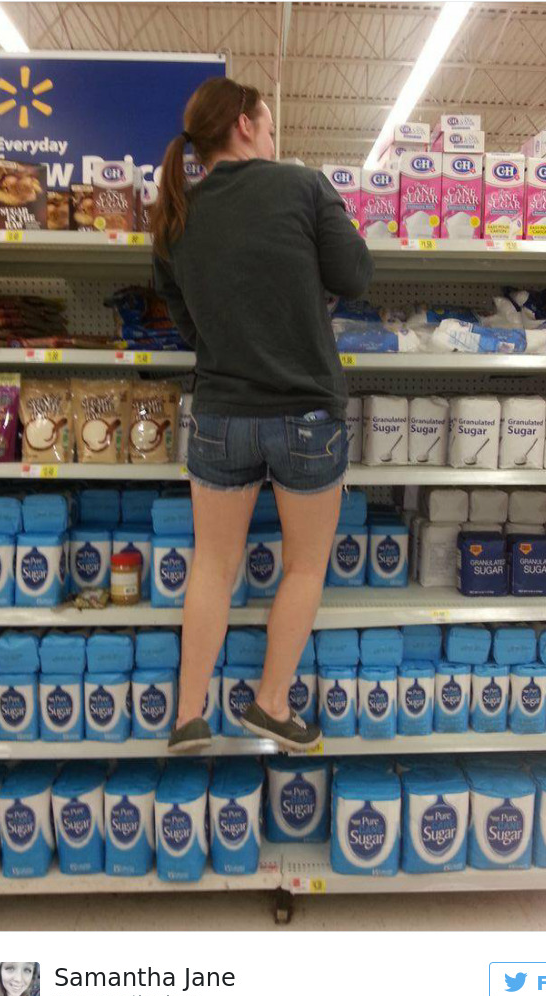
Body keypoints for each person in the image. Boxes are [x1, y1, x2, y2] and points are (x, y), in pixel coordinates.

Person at [153, 76, 373, 753]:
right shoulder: (301, 187)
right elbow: (354, 275)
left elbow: (187, 324)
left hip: (221, 413)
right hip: (307, 412)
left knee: (213, 564)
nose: (275, 141)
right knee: (304, 567)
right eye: (270, 127)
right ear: (245, 124)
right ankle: (270, 703)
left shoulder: (175, 216)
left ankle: (190, 713)